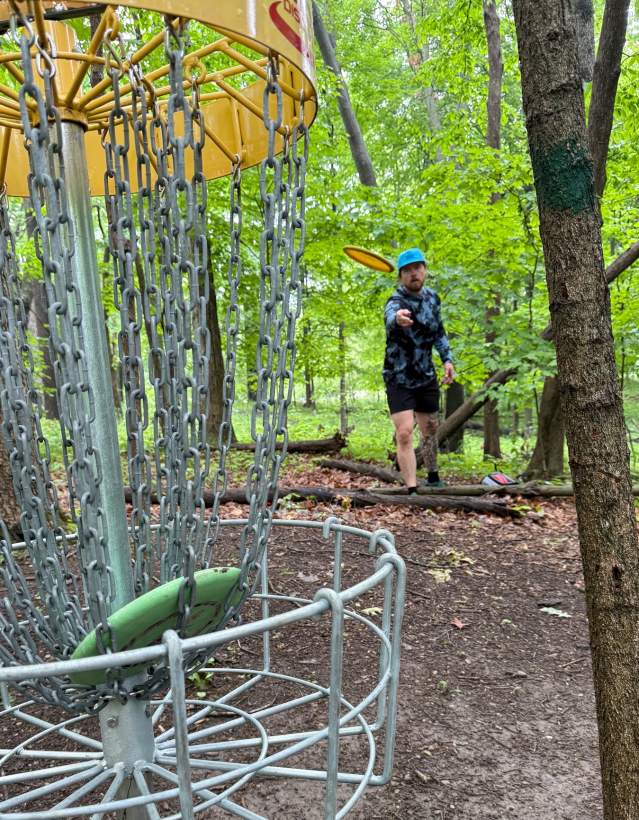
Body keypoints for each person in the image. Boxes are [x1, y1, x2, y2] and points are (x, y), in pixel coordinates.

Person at [383, 247, 455, 494]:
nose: (414, 274)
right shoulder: (395, 302)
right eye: (408, 270)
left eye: (417, 268)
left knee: (430, 429)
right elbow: (390, 317)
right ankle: (412, 489)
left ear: (424, 271)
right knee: (404, 433)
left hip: (425, 375)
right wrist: (398, 318)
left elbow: (439, 333)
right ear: (401, 276)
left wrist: (447, 360)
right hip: (398, 376)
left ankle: (433, 475)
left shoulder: (433, 299)